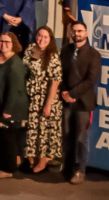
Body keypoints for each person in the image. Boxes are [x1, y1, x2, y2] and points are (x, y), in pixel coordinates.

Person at [60, 20, 102, 184]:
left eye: (80, 31)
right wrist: (64, 92)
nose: (76, 34)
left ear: (86, 33)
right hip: (65, 100)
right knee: (66, 134)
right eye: (74, 31)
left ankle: (80, 170)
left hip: (83, 102)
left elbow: (91, 80)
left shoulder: (94, 54)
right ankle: (68, 167)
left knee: (80, 136)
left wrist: (72, 93)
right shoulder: (65, 50)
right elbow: (60, 73)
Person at [0, 32, 29, 179]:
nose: (3, 44)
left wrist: (8, 109)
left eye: (7, 42)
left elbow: (16, 89)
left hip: (11, 108)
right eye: (1, 41)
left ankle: (8, 168)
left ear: (13, 45)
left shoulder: (15, 63)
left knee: (8, 138)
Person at [24, 26, 63, 173]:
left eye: (46, 37)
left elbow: (55, 81)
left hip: (46, 98)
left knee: (45, 131)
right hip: (32, 98)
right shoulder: (30, 49)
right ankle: (31, 158)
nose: (42, 39)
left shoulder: (53, 56)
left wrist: (48, 104)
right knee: (33, 130)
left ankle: (43, 160)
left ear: (50, 39)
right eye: (40, 35)